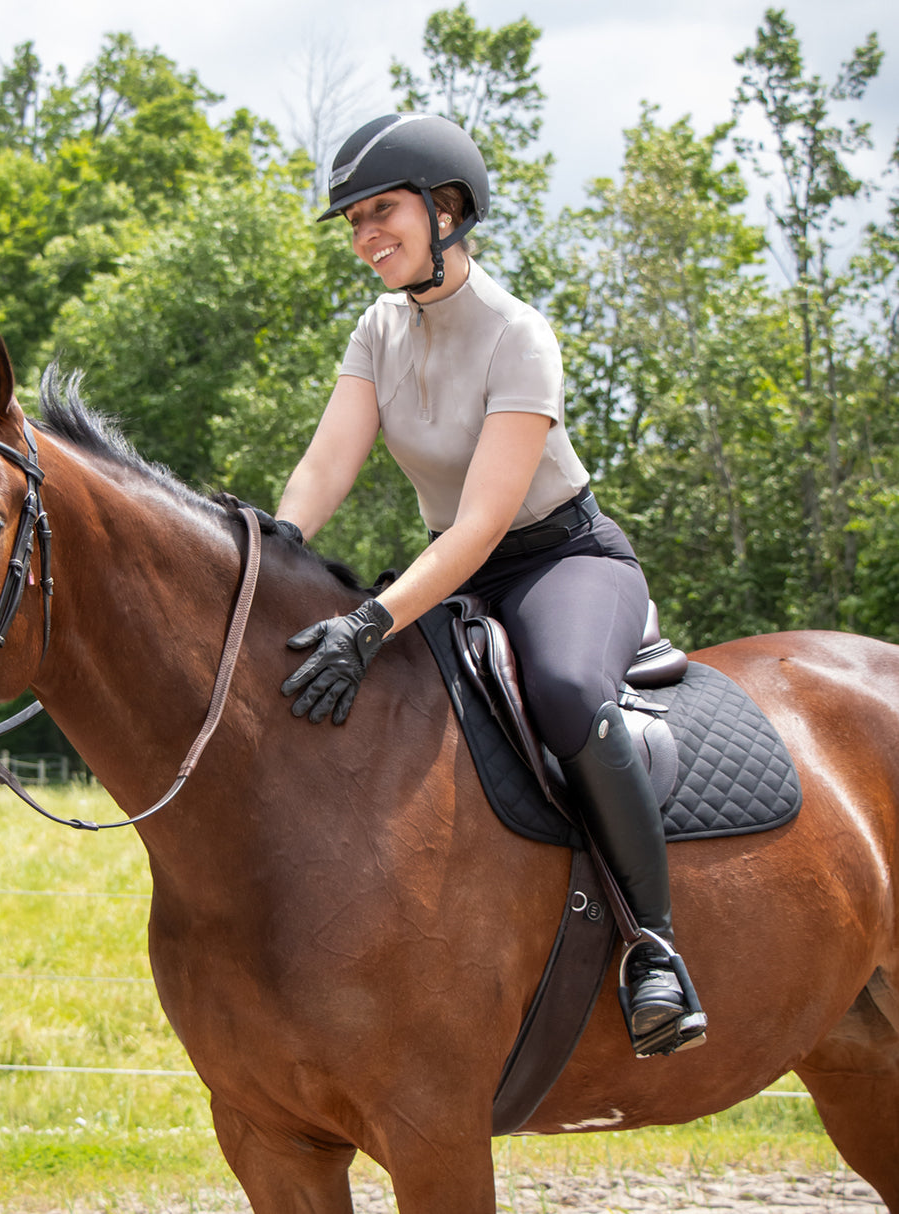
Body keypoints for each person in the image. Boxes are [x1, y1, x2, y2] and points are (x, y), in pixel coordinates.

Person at [274, 112, 706, 1058]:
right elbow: (327, 463)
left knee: (566, 689)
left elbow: (481, 524)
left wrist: (372, 621)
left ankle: (656, 948)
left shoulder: (520, 335)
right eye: (353, 221)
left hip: (560, 558)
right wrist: (279, 542)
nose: (364, 236)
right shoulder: (378, 330)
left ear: (446, 209)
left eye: (381, 211)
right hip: (454, 567)